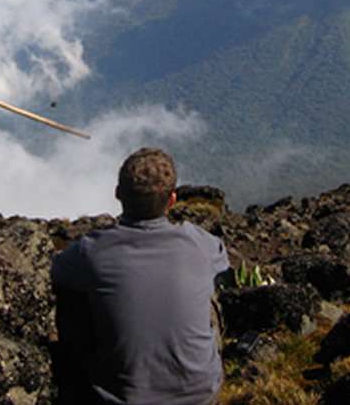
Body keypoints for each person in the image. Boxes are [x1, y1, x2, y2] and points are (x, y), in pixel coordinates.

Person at [51, 148, 230, 405]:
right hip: (201, 395)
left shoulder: (90, 252)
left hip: (123, 399)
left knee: (73, 291)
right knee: (207, 286)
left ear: (118, 195)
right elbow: (222, 262)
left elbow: (56, 271)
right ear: (171, 200)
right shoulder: (201, 244)